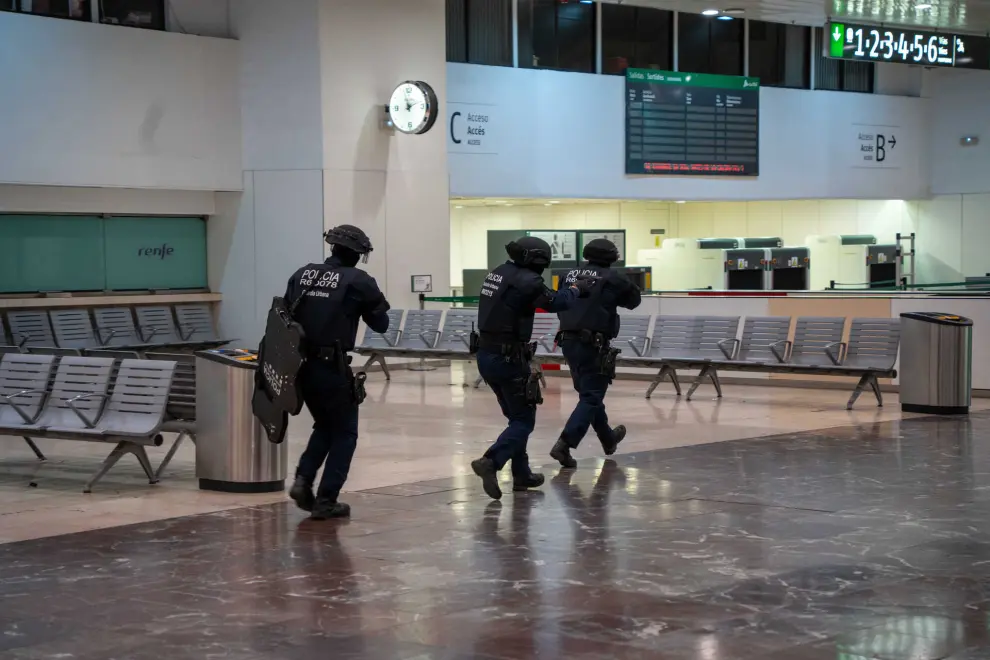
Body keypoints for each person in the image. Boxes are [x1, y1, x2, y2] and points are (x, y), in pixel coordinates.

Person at [470, 236, 596, 500]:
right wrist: (576, 289)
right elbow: (555, 302)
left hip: (486, 355)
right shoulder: (528, 280)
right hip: (508, 359)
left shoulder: (499, 273)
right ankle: (491, 462)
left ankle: (522, 474)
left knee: (516, 417)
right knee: (523, 420)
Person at [286, 225, 391, 520]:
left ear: (332, 247)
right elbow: (381, 324)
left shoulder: (302, 274)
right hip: (331, 367)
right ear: (358, 255)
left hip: (300, 366)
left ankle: (303, 480)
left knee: (325, 425)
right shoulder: (358, 280)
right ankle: (326, 500)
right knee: (345, 432)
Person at [550, 238, 641, 469]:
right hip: (594, 345)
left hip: (568, 342)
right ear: (611, 256)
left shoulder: (568, 275)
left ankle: (608, 438)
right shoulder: (613, 278)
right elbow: (633, 301)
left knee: (589, 395)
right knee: (591, 397)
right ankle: (565, 443)